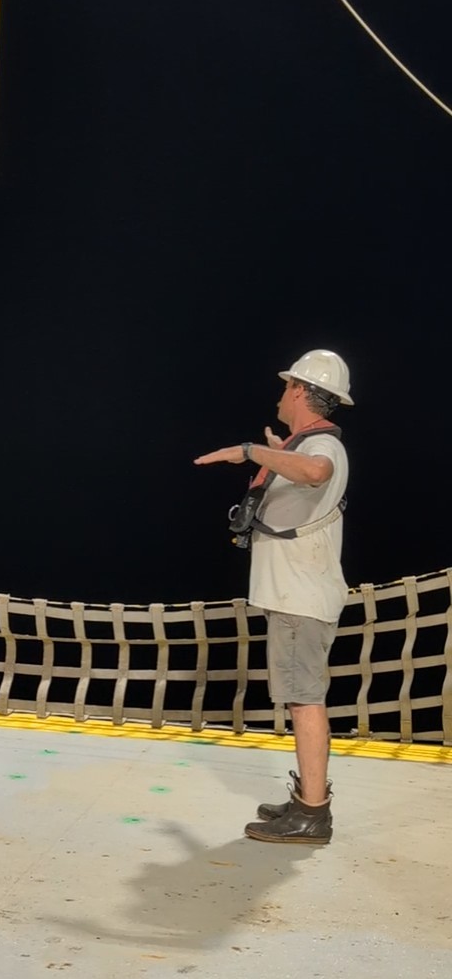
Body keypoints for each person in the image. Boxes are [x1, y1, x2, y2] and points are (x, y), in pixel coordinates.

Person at [194, 348, 353, 846]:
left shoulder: (322, 448)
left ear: (301, 391)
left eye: (288, 386)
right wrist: (276, 449)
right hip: (296, 594)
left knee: (305, 699)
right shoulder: (306, 444)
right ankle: (307, 797)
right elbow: (302, 470)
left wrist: (249, 451)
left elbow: (315, 473)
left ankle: (313, 813)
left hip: (301, 597)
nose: (281, 393)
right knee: (301, 696)